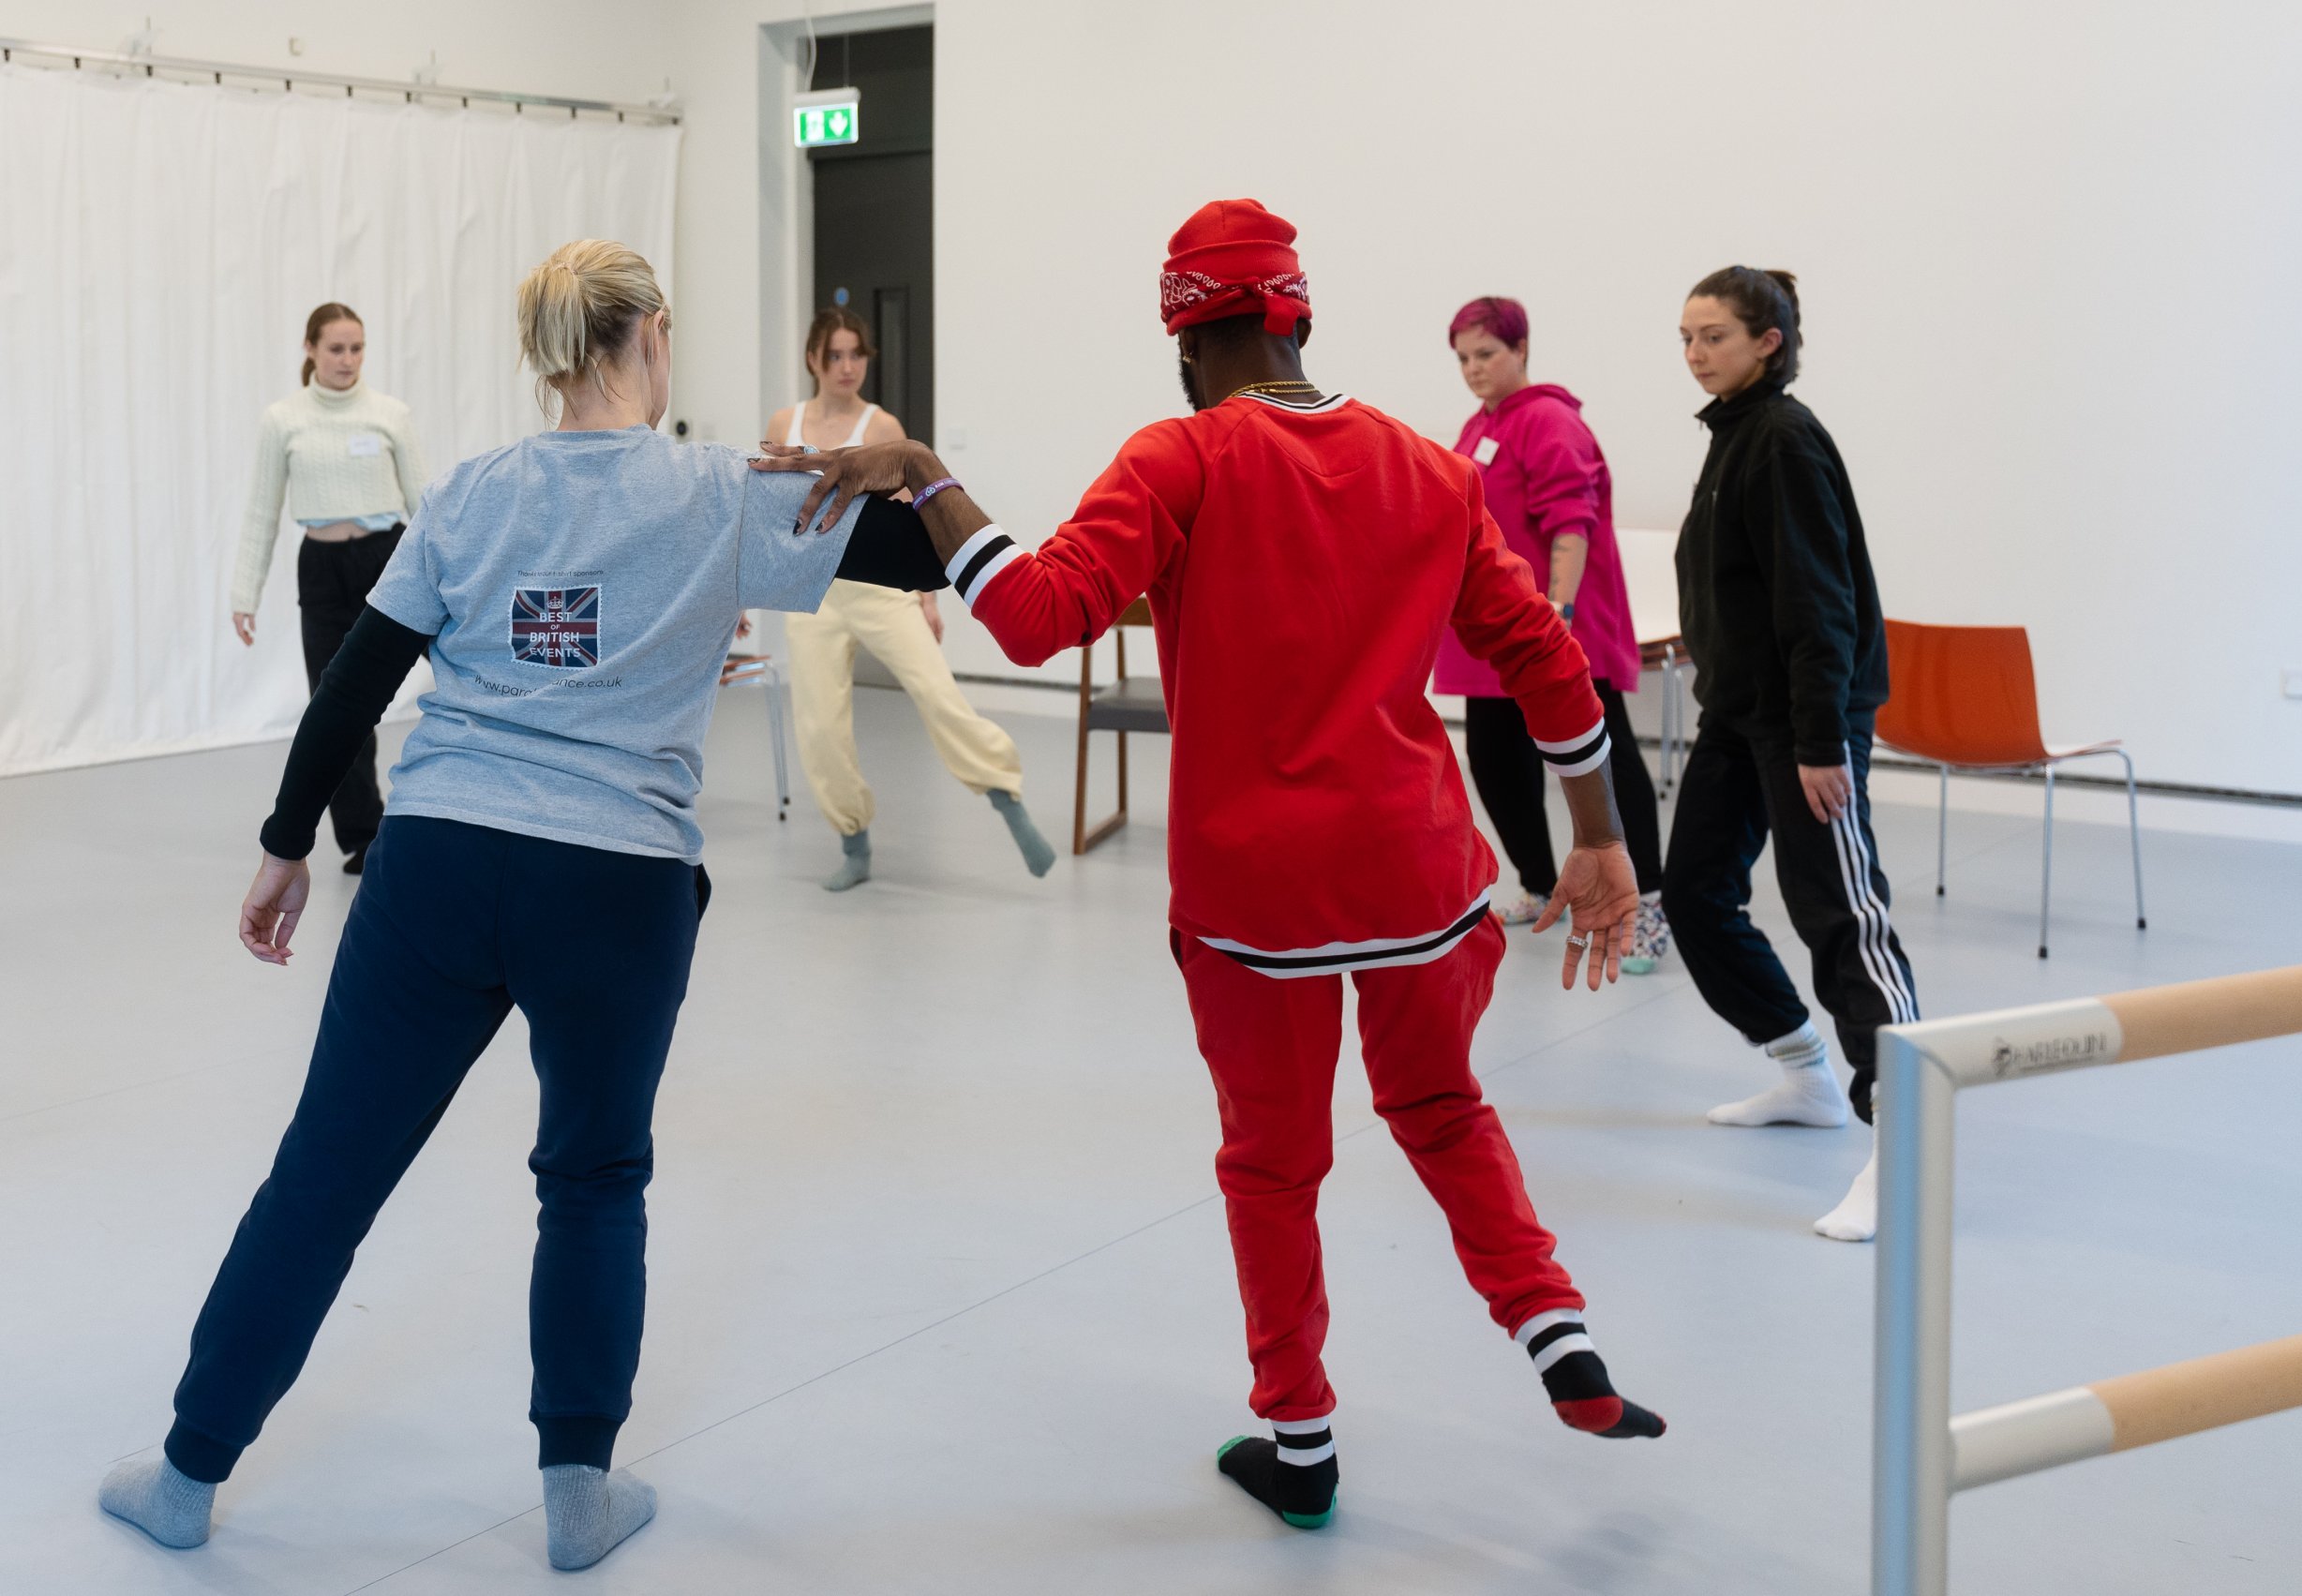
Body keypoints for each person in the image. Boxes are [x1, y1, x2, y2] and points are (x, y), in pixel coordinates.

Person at [764, 200, 1666, 1533]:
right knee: (1440, 1104)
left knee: (1273, 1165)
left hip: (1260, 898)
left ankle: (1300, 1442)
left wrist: (927, 472)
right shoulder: (1430, 466)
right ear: (1298, 317)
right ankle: (1558, 1332)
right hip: (1420, 876)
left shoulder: (1178, 456)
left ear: (1185, 342)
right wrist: (1597, 834)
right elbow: (1544, 654)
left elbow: (1034, 615)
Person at [97, 240, 948, 1571]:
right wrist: (915, 461)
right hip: (617, 880)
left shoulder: (471, 491)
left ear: (548, 353)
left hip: (439, 861)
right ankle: (576, 1495)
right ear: (650, 334)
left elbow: (355, 683)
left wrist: (284, 843)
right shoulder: (726, 491)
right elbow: (931, 557)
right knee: (595, 1178)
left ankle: (186, 1474)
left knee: (323, 1174)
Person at [1662, 266, 1920, 1244]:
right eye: (1686, 337)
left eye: (1714, 336)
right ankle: (1803, 1072)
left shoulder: (1782, 437)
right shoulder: (1733, 431)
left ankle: (1906, 1142)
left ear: (1767, 341)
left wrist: (1821, 741)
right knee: (1694, 893)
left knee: (1842, 919)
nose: (1696, 354)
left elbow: (1820, 601)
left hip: (1804, 726)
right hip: (1739, 714)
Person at [765, 306, 1054, 891]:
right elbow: (768, 512)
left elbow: (916, 520)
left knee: (937, 692)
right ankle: (854, 842)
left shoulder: (882, 427)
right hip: (812, 592)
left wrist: (927, 598)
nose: (847, 366)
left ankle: (1004, 793)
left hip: (880, 594)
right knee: (819, 726)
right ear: (814, 359)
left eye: (856, 354)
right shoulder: (784, 421)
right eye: (836, 354)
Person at [1438, 297, 1667, 969]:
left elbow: (1572, 523)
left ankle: (1648, 905)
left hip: (1555, 625)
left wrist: (1557, 611)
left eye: (1486, 353)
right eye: (1463, 358)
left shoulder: (1548, 420)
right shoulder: (1481, 424)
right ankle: (1541, 883)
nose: (1474, 368)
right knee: (1494, 758)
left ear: (1521, 349)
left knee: (1604, 761)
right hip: (1497, 629)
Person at [232, 303, 427, 873]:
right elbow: (262, 511)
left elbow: (426, 504)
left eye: (357, 348)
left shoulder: (389, 414)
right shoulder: (283, 419)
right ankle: (364, 838)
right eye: (336, 349)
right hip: (320, 567)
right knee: (337, 703)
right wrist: (244, 594)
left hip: (387, 560)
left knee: (456, 670)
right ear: (311, 349)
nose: (348, 360)